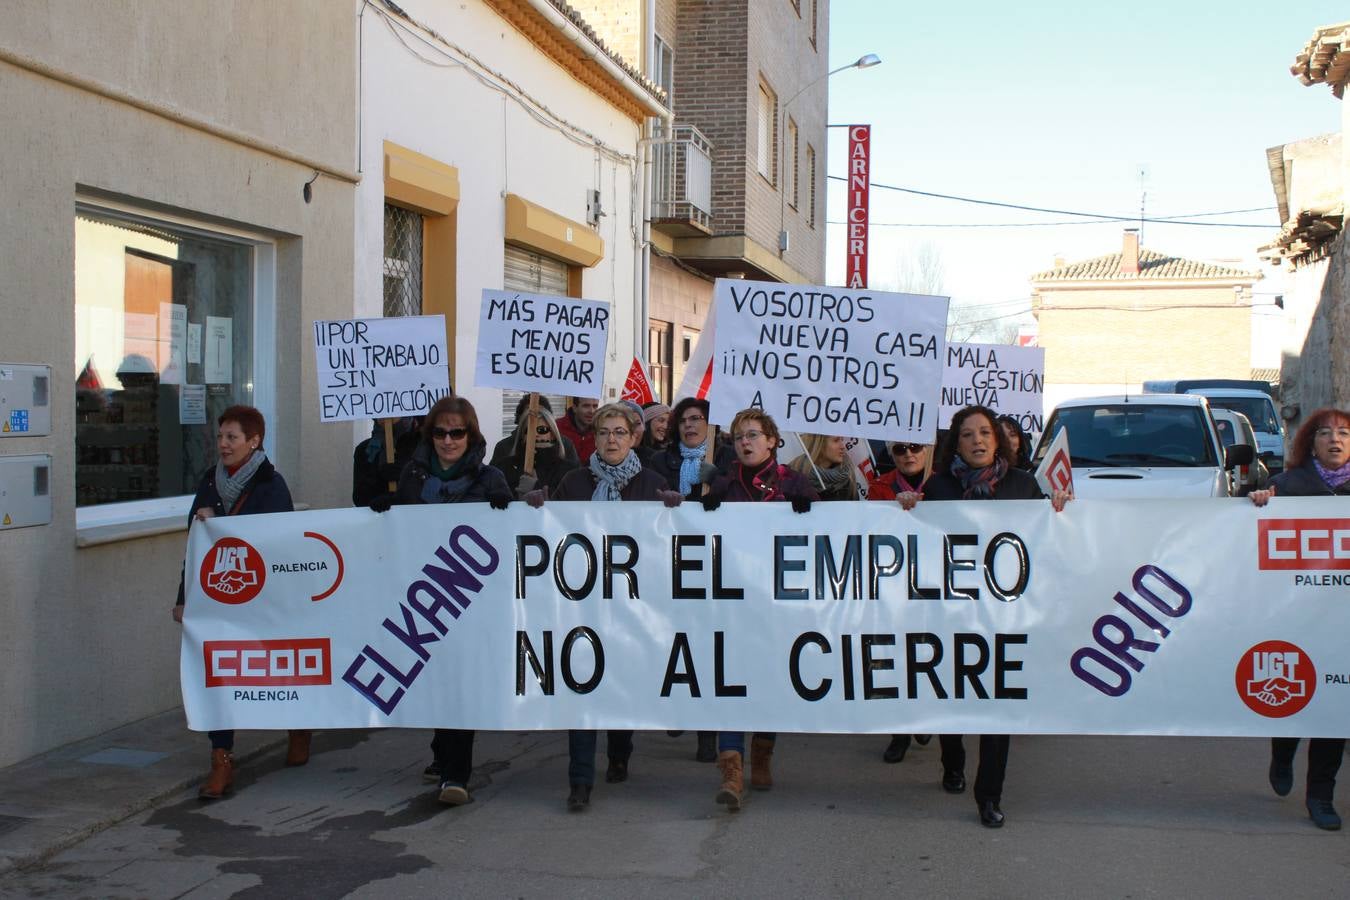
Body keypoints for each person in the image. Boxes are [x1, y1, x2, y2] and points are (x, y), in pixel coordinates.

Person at [524, 403, 683, 811]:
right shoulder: (574, 482)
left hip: (633, 606)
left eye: (619, 432)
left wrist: (674, 512)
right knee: (584, 688)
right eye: (603, 433)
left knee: (623, 683)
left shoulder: (653, 483)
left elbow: (668, 544)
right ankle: (580, 781)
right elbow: (551, 529)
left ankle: (619, 751)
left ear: (634, 438)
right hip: (584, 606)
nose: (610, 440)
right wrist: (539, 506)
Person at [920, 405, 1070, 828]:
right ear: (957, 442)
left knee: (996, 706)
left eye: (985, 432)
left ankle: (989, 795)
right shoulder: (939, 488)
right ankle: (952, 760)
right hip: (951, 613)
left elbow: (1046, 539)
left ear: (997, 439)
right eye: (967, 435)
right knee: (951, 696)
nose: (978, 441)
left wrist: (1058, 507)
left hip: (1004, 615)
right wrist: (908, 508)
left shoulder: (1023, 486)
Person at [370, 396, 513, 807]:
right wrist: (386, 508)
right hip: (422, 596)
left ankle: (456, 774)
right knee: (433, 677)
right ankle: (441, 752)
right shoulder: (411, 478)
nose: (448, 440)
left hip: (470, 599)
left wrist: (507, 508)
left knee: (460, 684)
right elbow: (400, 532)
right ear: (429, 435)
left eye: (457, 432)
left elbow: (510, 538)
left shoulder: (490, 480)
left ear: (471, 435)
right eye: (440, 432)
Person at [172, 406, 299, 799]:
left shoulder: (271, 484)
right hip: (218, 596)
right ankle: (221, 757)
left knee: (277, 665)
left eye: (232, 437)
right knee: (219, 670)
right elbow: (196, 548)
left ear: (253, 441)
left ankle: (299, 727)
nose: (223, 444)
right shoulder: (210, 481)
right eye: (221, 436)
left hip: (264, 598)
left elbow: (278, 542)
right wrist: (183, 596)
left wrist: (224, 519)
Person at [701, 408, 818, 811]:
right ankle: (731, 772)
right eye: (738, 438)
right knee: (731, 684)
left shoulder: (795, 483)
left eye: (753, 435)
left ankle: (763, 752)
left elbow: (826, 537)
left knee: (770, 681)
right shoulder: (720, 484)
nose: (745, 443)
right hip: (731, 604)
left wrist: (813, 512)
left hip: (777, 605)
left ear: (772, 441)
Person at [1249, 407, 1350, 831]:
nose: (1335, 439)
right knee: (1295, 694)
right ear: (1311, 444)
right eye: (1325, 433)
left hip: (1342, 622)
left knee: (1336, 706)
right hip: (1295, 614)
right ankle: (1282, 750)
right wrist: (1256, 505)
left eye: (1344, 433)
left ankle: (1321, 795)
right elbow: (1245, 537)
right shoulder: (1286, 487)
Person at [867, 440, 936, 764]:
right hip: (894, 589)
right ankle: (900, 732)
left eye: (916, 447)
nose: (909, 454)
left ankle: (924, 717)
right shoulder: (879, 487)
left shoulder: (942, 484)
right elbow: (868, 529)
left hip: (934, 588)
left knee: (929, 656)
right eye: (900, 449)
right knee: (897, 657)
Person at [648, 397, 736, 502]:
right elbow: (650, 499)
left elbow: (738, 496)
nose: (687, 424)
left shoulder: (729, 455)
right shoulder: (660, 460)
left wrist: (715, 479)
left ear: (710, 424)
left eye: (695, 418)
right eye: (682, 421)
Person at [493, 402, 578, 497]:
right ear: (522, 436)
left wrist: (535, 487)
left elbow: (570, 503)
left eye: (542, 430)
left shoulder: (569, 470)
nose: (535, 434)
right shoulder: (504, 467)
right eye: (528, 431)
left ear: (553, 434)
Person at [351, 417, 421, 506]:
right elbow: (359, 499)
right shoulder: (365, 450)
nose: (384, 416)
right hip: (379, 518)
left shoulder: (424, 446)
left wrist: (405, 474)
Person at [788, 434, 863, 501]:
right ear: (819, 443)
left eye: (842, 440)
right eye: (836, 440)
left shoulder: (846, 474)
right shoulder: (792, 474)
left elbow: (854, 514)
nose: (843, 446)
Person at [555, 396, 599, 463]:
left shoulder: (601, 430)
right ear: (575, 408)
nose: (592, 411)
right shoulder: (556, 428)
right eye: (586, 406)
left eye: (595, 406)